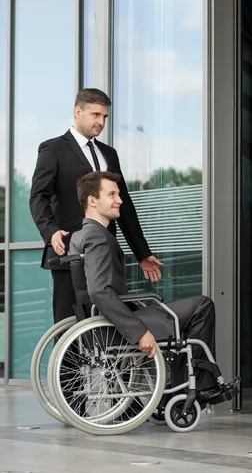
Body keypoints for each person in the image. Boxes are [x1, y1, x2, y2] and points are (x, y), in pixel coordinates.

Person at [68, 171, 239, 405]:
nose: (120, 200)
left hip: (106, 323)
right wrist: (138, 332)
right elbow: (99, 291)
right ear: (92, 200)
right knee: (202, 306)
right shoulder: (97, 237)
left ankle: (181, 386)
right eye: (112, 194)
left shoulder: (81, 235)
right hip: (116, 326)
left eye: (118, 194)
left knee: (186, 311)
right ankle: (197, 388)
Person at [29, 88, 163, 324]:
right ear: (78, 112)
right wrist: (50, 233)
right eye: (95, 115)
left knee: (108, 326)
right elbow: (38, 196)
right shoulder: (53, 149)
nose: (101, 122)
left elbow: (124, 207)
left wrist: (142, 253)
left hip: (104, 255)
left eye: (105, 117)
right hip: (68, 251)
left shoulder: (108, 153)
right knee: (68, 327)